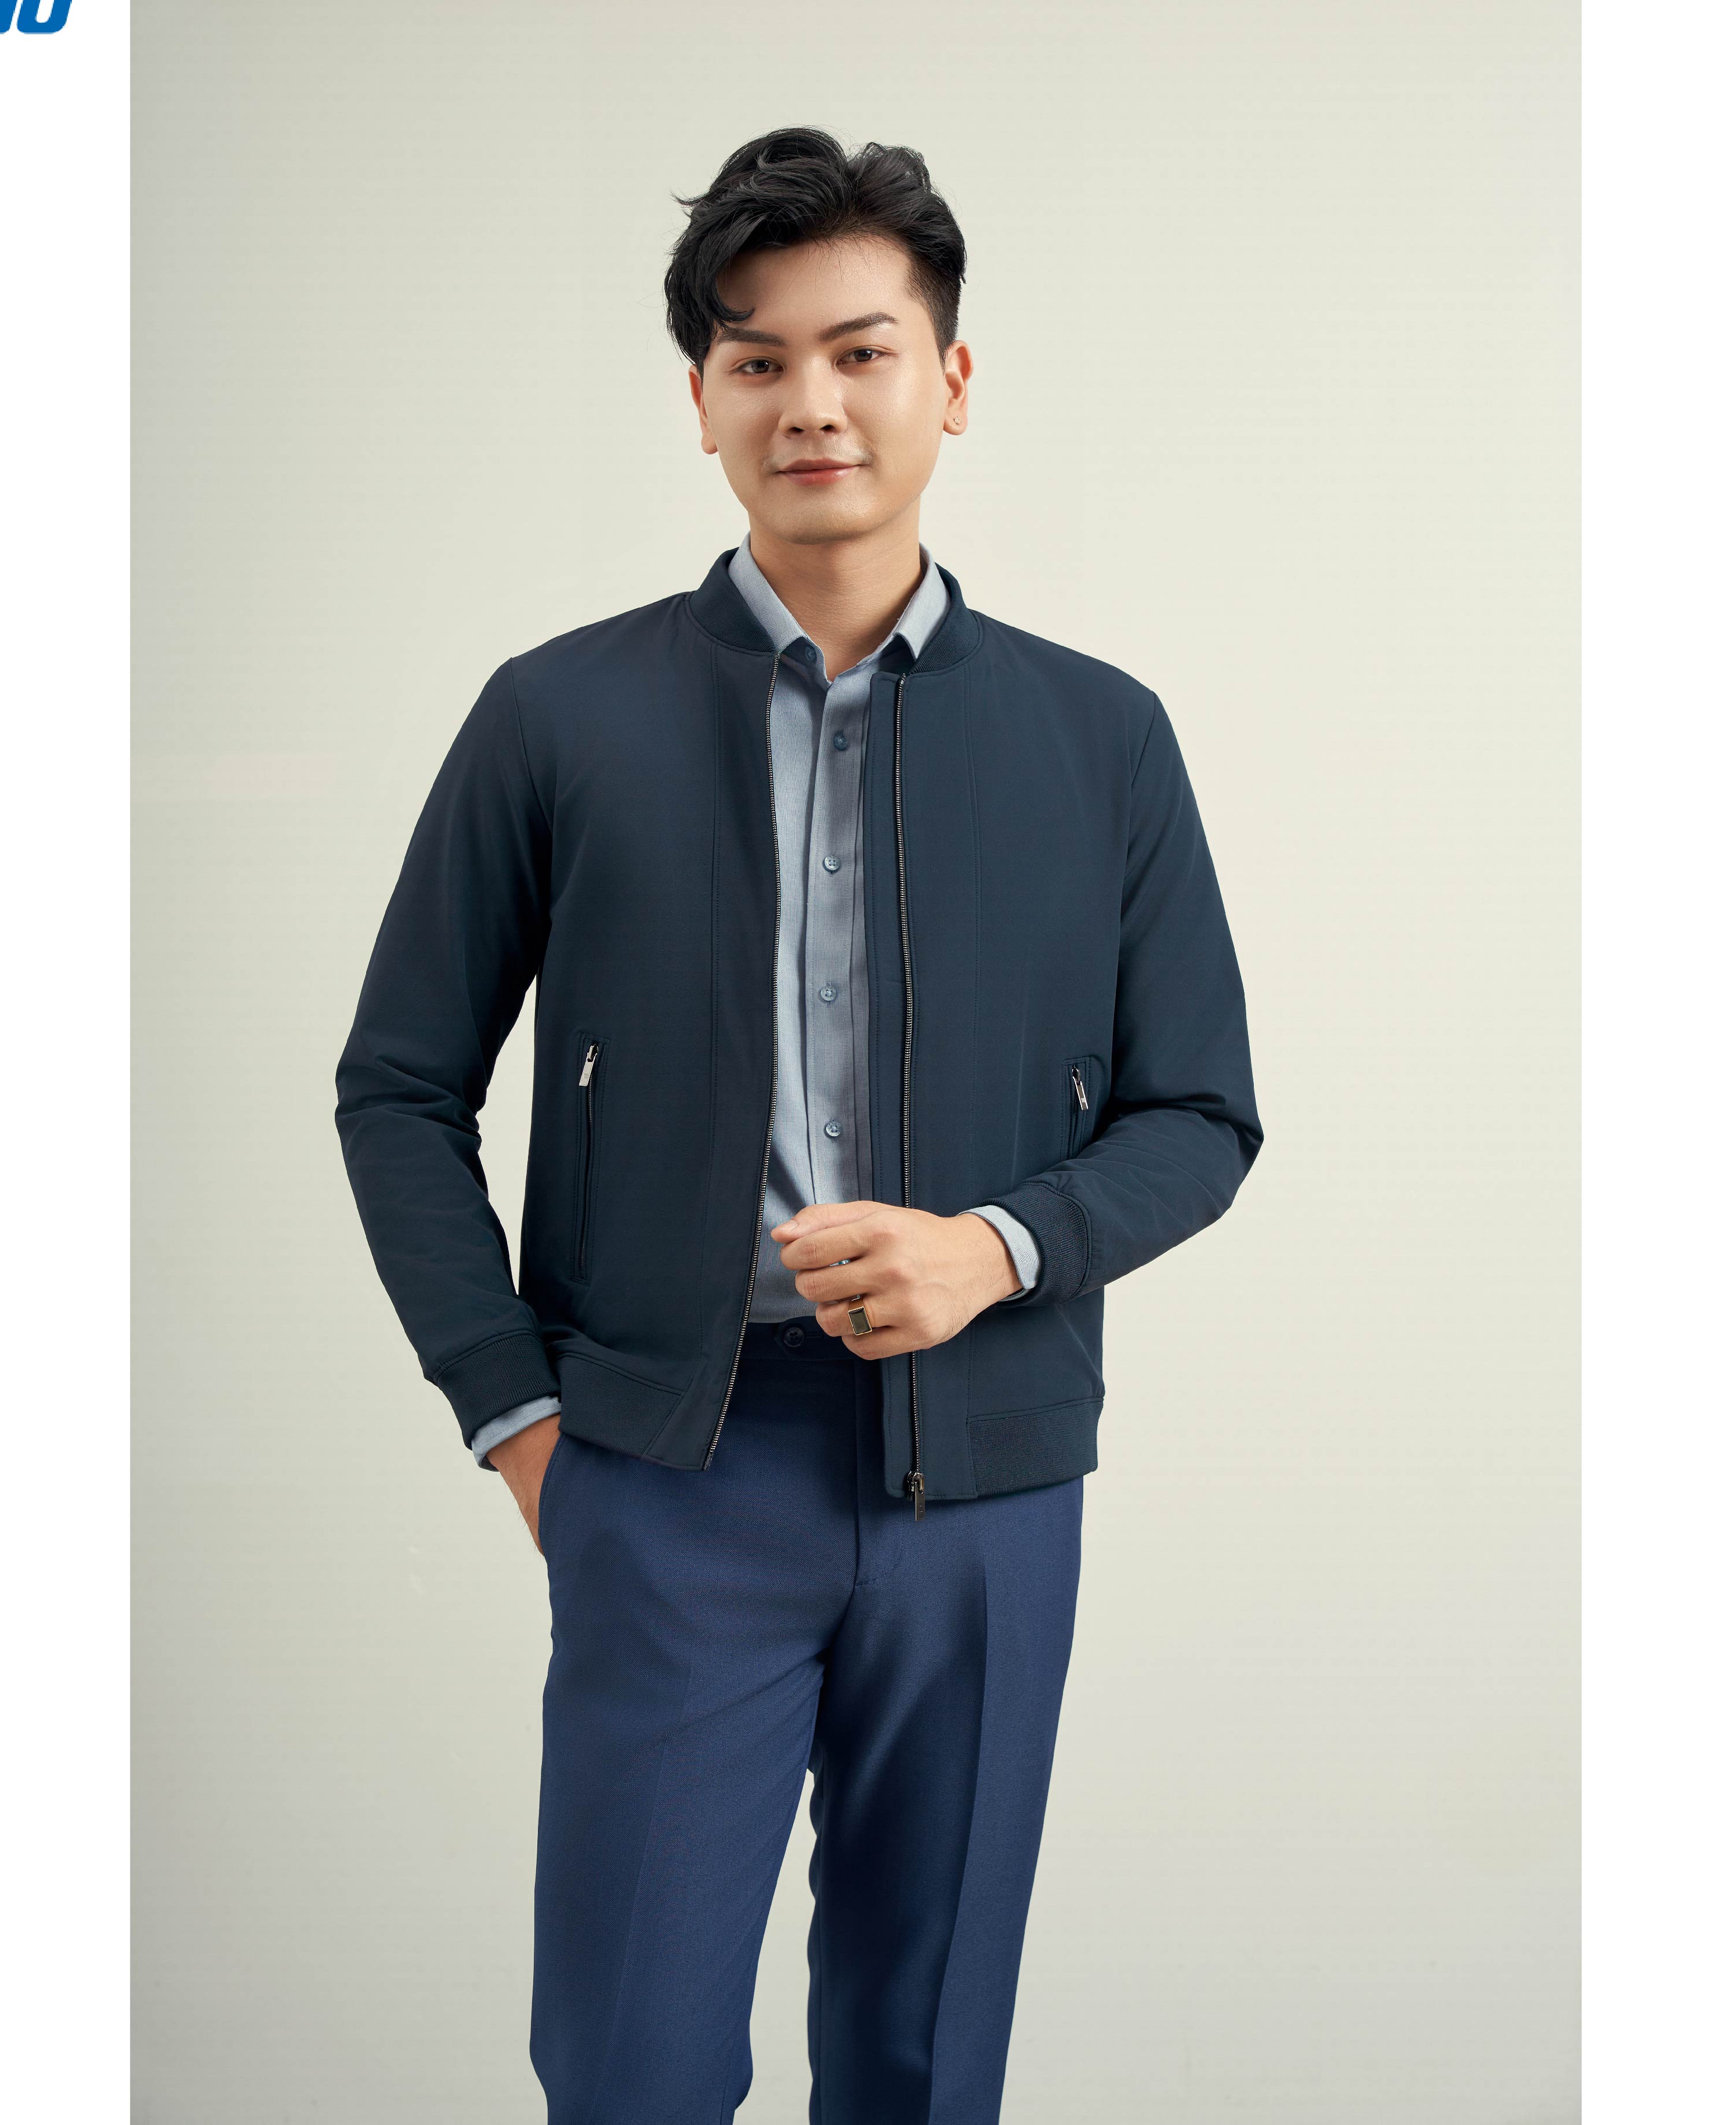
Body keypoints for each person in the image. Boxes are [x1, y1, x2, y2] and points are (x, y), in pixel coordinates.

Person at [335, 125, 1262, 2125]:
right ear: (702, 402)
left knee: (926, 2062)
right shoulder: (558, 717)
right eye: (756, 360)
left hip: (989, 1475)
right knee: (633, 2061)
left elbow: (1201, 1111)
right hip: (670, 1463)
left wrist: (994, 1251)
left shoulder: (1100, 736)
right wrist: (521, 1419)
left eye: (860, 351)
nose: (810, 403)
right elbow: (398, 1085)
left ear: (951, 379)